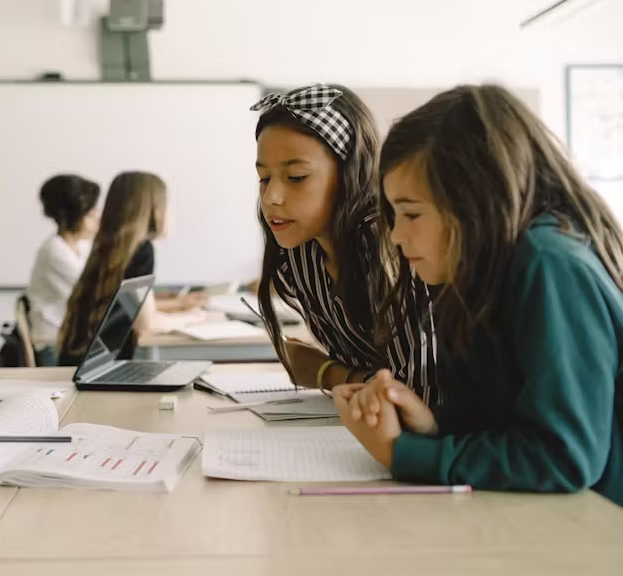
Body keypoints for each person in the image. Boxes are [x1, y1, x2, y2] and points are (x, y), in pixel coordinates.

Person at [337, 84, 623, 505]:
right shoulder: (480, 271)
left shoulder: (549, 263)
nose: (396, 235)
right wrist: (433, 426)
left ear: (475, 203)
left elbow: (564, 458)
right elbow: (510, 417)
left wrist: (404, 455)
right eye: (394, 216)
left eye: (412, 213)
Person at [252, 84, 437, 401]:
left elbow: (420, 396)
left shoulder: (390, 243)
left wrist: (324, 373)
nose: (272, 198)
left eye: (296, 177)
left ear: (351, 174)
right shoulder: (298, 252)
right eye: (263, 178)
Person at [58, 171, 205, 366]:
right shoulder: (141, 251)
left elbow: (141, 313)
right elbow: (146, 324)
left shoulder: (106, 247)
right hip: (100, 374)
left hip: (78, 364)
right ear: (153, 209)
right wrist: (191, 318)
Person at [25, 174, 101, 365]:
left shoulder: (81, 247)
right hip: (55, 344)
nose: (98, 219)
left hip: (72, 339)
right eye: (91, 215)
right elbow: (98, 296)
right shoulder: (55, 251)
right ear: (74, 215)